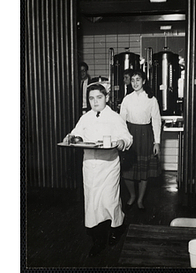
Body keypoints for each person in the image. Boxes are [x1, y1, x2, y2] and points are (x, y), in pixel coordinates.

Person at [63, 82, 133, 257]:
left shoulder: (115, 117)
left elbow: (127, 136)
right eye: (91, 98)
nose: (95, 102)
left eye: (99, 98)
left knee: (110, 201)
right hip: (90, 166)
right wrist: (71, 137)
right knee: (93, 204)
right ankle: (97, 240)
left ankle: (117, 228)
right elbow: (76, 133)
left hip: (109, 166)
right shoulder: (85, 117)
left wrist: (122, 142)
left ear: (106, 98)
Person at [120, 70, 161, 211]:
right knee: (127, 170)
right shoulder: (127, 99)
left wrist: (157, 142)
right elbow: (121, 121)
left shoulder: (151, 99)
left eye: (138, 80)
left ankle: (140, 199)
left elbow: (156, 121)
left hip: (145, 135)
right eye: (132, 80)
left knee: (144, 171)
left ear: (144, 81)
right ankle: (132, 196)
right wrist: (121, 138)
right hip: (129, 135)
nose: (135, 83)